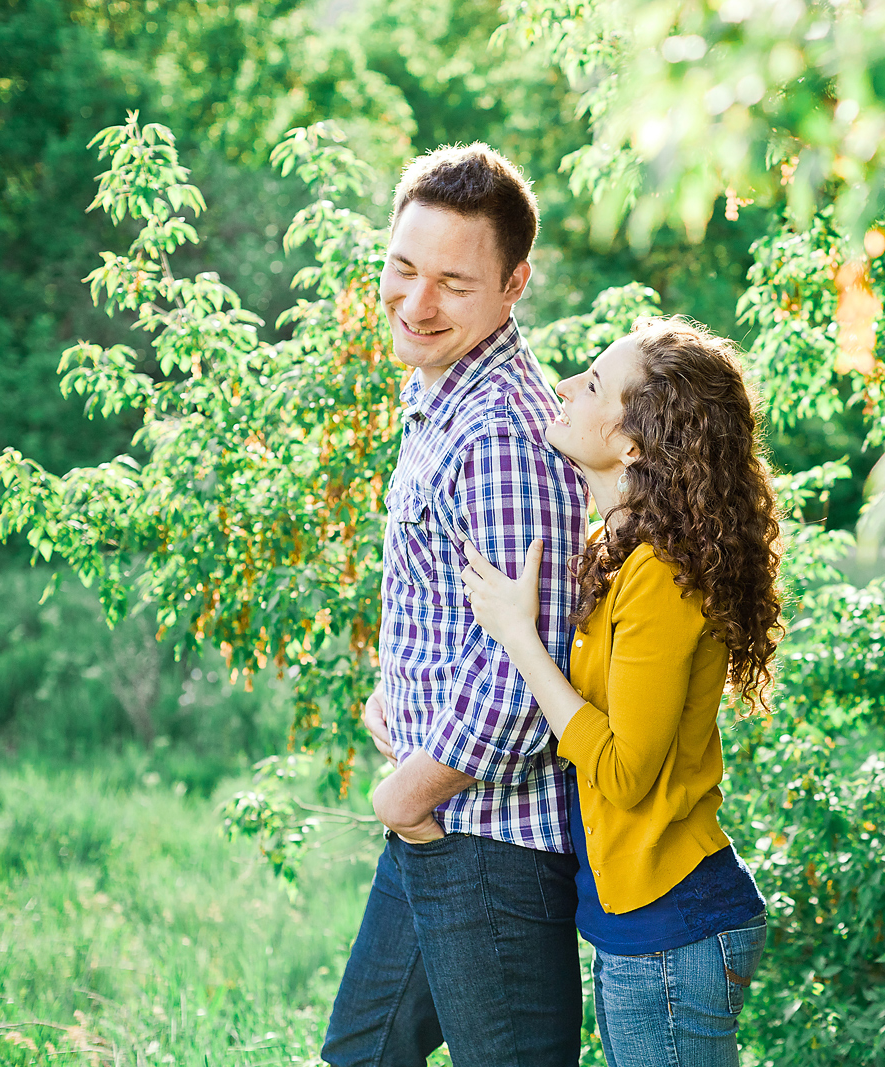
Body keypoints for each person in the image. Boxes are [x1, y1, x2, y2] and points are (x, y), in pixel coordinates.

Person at [320, 143, 589, 1067]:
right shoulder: (438, 384)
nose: (415, 301)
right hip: (441, 825)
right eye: (402, 267)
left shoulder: (504, 435)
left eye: (452, 282)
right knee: (360, 1055)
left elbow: (528, 681)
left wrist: (407, 790)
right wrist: (392, 689)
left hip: (495, 845)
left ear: (515, 284)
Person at [460, 318, 784, 1067]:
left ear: (633, 443)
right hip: (644, 924)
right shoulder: (619, 551)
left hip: (672, 927)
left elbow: (626, 772)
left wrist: (518, 635)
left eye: (595, 384)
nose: (566, 387)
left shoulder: (661, 576)